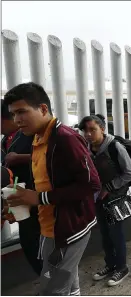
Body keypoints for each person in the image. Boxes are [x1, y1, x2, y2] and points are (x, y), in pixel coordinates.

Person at [4, 82, 101, 296]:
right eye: (13, 114)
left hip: (69, 229)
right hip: (50, 226)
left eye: (22, 111)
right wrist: (23, 199)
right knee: (68, 284)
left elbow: (92, 184)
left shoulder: (65, 139)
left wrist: (39, 198)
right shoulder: (38, 138)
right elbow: (46, 181)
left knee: (52, 289)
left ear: (43, 109)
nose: (17, 119)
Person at [78, 114, 131, 286]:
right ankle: (110, 264)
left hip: (114, 199)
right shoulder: (87, 148)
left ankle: (122, 267)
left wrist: (109, 187)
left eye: (92, 130)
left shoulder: (114, 147)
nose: (88, 134)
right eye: (85, 131)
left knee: (116, 234)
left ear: (102, 129)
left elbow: (130, 172)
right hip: (97, 199)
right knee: (104, 233)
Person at [1, 99, 43, 277]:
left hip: (39, 200)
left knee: (43, 248)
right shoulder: (7, 139)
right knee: (30, 245)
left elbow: (49, 155)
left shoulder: (32, 134)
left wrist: (20, 158)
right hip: (20, 202)